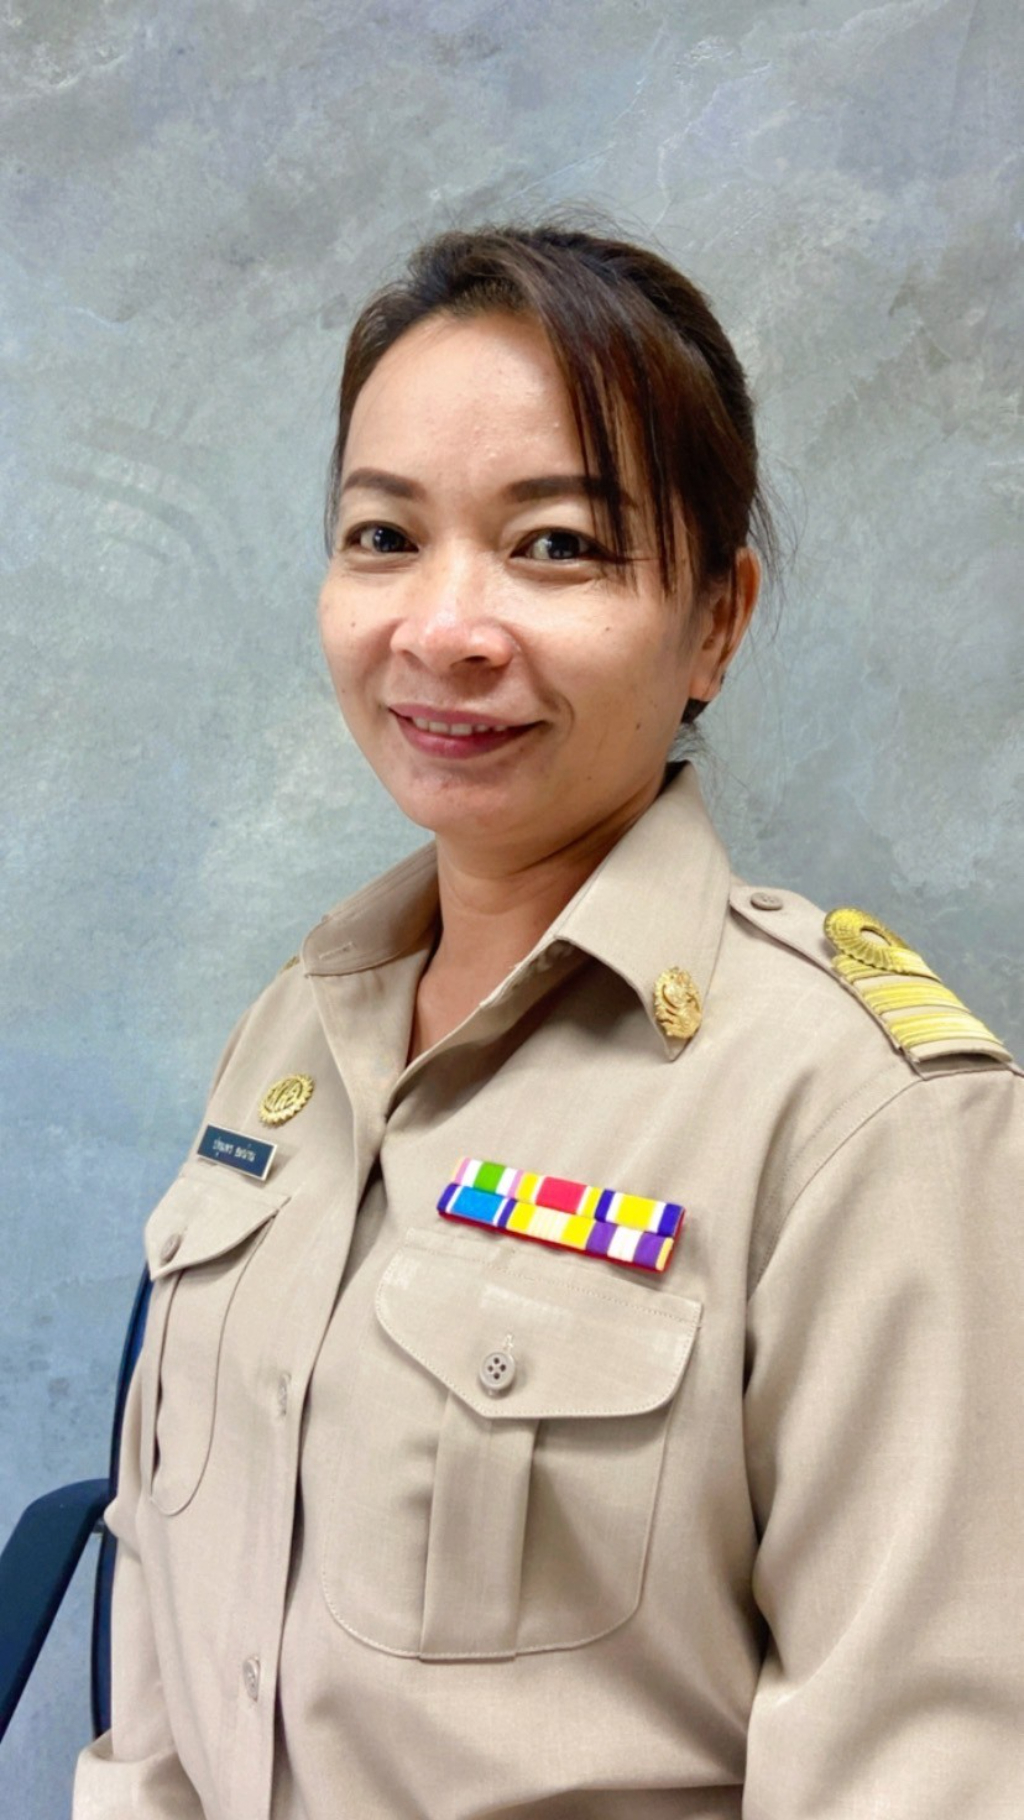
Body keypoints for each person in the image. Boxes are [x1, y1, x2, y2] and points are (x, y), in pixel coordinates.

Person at [74, 224, 1023, 1820]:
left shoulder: (868, 1118)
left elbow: (924, 1775)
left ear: (716, 621)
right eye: (385, 536)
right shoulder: (298, 1030)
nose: (445, 628)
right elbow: (170, 1612)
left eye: (557, 546)